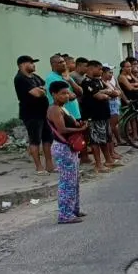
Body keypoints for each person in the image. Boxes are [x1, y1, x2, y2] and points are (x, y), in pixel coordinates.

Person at [46, 81, 87, 224]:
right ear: (54, 94)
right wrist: (80, 130)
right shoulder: (54, 109)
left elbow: (71, 124)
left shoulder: (63, 108)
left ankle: (74, 209)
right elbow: (62, 129)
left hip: (70, 148)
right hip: (63, 148)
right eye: (63, 93)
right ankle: (65, 214)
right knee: (67, 182)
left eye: (67, 93)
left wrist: (79, 125)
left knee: (74, 181)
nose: (66, 96)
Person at [14, 55, 54, 174]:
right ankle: (39, 167)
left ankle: (49, 164)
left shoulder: (34, 77)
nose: (34, 65)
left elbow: (46, 87)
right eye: (31, 63)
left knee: (48, 138)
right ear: (23, 65)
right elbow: (36, 93)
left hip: (44, 113)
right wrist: (41, 90)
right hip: (31, 114)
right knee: (35, 140)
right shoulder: (20, 78)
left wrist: (42, 89)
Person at [79, 60, 115, 173]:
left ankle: (109, 160)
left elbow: (112, 91)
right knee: (95, 141)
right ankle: (98, 164)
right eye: (99, 69)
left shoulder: (98, 81)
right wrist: (106, 94)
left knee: (106, 138)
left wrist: (105, 93)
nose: (101, 71)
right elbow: (99, 96)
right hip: (93, 116)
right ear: (91, 68)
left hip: (104, 114)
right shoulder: (86, 82)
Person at [45, 54, 82, 121]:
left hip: (75, 114)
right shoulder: (51, 78)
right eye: (60, 62)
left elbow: (80, 92)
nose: (64, 64)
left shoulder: (67, 77)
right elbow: (69, 97)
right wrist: (73, 94)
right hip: (63, 115)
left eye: (64, 61)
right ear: (53, 65)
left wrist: (70, 81)